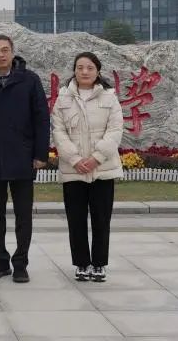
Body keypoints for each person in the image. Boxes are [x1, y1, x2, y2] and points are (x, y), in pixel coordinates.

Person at [0, 34, 49, 283]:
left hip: (22, 156)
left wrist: (40, 154)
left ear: (13, 52)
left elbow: (41, 118)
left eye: (5, 50)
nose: (1, 55)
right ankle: (1, 261)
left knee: (23, 215)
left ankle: (21, 263)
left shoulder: (29, 80)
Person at [51, 52, 124, 283]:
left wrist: (97, 157)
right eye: (80, 67)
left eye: (90, 68)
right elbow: (58, 131)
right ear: (74, 70)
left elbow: (115, 131)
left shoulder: (110, 97)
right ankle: (82, 263)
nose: (84, 72)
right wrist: (74, 159)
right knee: (76, 219)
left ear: (98, 71)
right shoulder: (63, 98)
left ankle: (99, 263)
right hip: (74, 170)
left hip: (102, 169)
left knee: (101, 219)